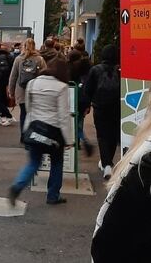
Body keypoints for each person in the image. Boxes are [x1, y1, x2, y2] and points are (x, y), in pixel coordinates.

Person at [91, 100, 151, 262]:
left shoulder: (144, 169)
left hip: (102, 111)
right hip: (112, 113)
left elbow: (107, 246)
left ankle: (107, 165)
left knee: (104, 138)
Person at [8, 58, 73, 206]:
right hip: (54, 132)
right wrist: (68, 139)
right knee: (56, 163)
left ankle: (17, 186)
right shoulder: (62, 87)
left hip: (35, 129)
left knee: (34, 162)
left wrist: (26, 130)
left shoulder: (33, 83)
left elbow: (29, 109)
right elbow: (64, 115)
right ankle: (53, 195)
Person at [84, 45, 121, 180]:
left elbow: (88, 90)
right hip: (117, 107)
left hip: (100, 107)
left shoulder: (95, 70)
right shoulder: (120, 70)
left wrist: (86, 106)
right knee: (112, 135)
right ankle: (108, 162)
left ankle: (106, 165)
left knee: (102, 135)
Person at [9, 38, 47, 140]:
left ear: (24, 46)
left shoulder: (18, 59)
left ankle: (23, 134)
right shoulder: (40, 59)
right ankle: (33, 135)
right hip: (36, 91)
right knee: (34, 114)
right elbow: (45, 75)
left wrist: (11, 91)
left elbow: (13, 76)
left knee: (24, 113)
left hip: (21, 90)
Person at [68, 47, 94, 156]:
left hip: (71, 97)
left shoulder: (68, 67)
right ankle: (80, 141)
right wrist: (88, 104)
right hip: (83, 98)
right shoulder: (87, 67)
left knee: (72, 122)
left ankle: (79, 139)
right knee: (79, 121)